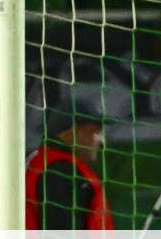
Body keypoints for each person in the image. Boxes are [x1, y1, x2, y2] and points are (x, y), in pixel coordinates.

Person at [26, 99, 113, 231]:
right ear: (71, 132)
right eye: (94, 132)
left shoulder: (48, 162)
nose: (100, 141)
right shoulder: (60, 170)